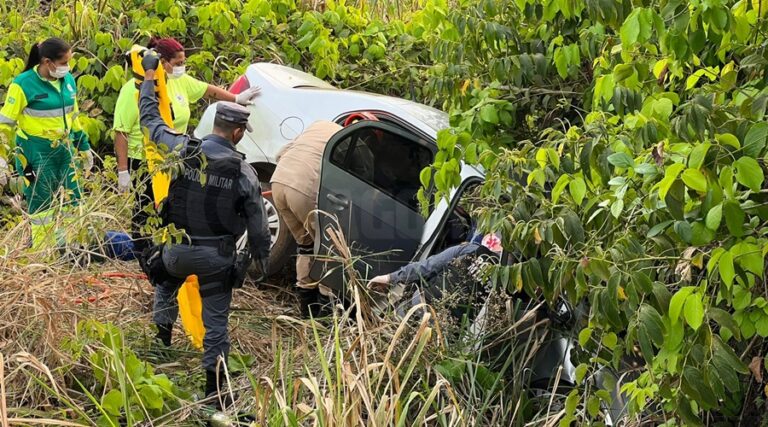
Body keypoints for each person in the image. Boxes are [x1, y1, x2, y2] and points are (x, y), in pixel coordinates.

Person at [137, 51, 271, 404]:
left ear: (214, 125)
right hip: (216, 258)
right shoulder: (244, 172)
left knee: (165, 288)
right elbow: (259, 230)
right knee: (216, 327)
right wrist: (261, 264)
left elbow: (150, 121)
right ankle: (214, 397)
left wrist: (150, 75)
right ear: (238, 132)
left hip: (176, 251)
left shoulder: (182, 148)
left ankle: (160, 353)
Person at [113, 37, 261, 254]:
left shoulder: (179, 82)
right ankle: (144, 252)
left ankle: (166, 248)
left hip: (174, 156)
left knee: (172, 205)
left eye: (184, 62)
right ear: (162, 62)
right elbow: (121, 131)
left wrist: (236, 98)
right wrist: (123, 170)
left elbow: (206, 90)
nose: (182, 66)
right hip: (143, 160)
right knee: (144, 209)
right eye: (179, 62)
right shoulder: (133, 89)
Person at [0, 38, 93, 222]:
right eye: (64, 63)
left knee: (73, 200)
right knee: (41, 205)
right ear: (47, 62)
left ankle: (69, 247)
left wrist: (84, 146)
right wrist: (1, 156)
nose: (67, 67)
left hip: (64, 151)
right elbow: (5, 123)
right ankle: (44, 247)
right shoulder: (23, 84)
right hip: (35, 154)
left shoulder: (67, 81)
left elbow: (73, 118)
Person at [368, 233, 502, 320]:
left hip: (423, 304)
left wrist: (390, 278)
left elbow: (427, 267)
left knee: (390, 333)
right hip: (448, 328)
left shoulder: (470, 249)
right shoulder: (508, 278)